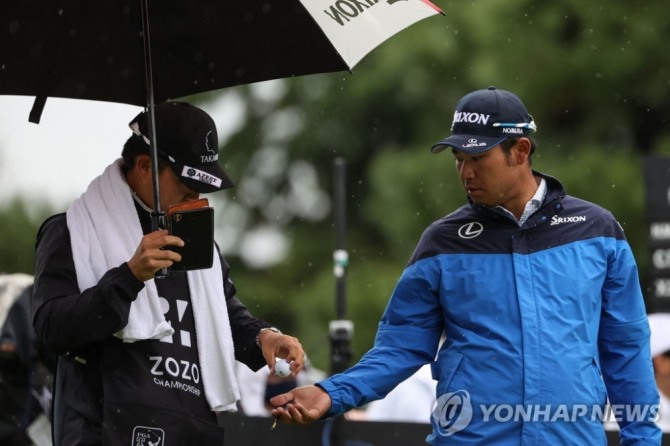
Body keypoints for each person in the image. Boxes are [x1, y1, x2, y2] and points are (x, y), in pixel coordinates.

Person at [271, 87, 661, 445]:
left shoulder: (598, 230)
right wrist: (330, 392)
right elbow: (400, 348)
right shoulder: (442, 241)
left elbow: (625, 349)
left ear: (521, 151)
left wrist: (642, 440)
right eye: (459, 159)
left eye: (477, 158)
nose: (466, 173)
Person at [32, 101, 305, 446]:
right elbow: (50, 329)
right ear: (145, 166)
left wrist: (262, 338)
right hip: (102, 429)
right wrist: (130, 276)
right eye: (186, 187)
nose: (195, 199)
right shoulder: (72, 230)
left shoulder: (195, 236)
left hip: (188, 429)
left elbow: (220, 316)